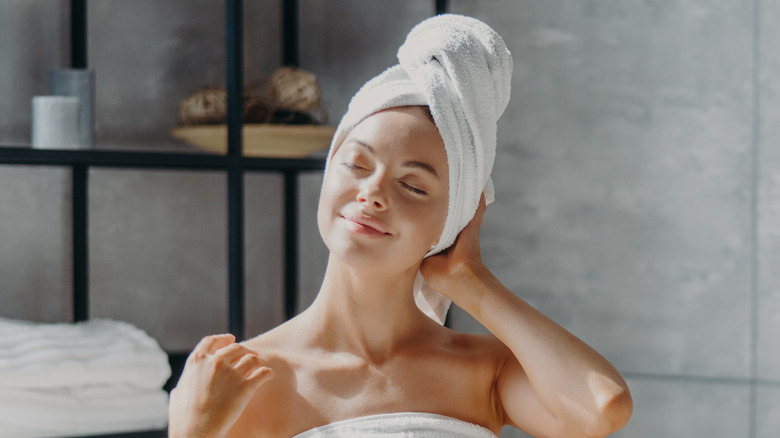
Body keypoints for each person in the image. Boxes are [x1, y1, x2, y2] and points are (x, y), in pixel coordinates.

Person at [169, 14, 632, 438]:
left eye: (412, 186)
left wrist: (470, 281)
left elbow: (601, 408)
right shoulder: (244, 379)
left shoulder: (483, 370)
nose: (371, 193)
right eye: (355, 164)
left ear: (452, 219)